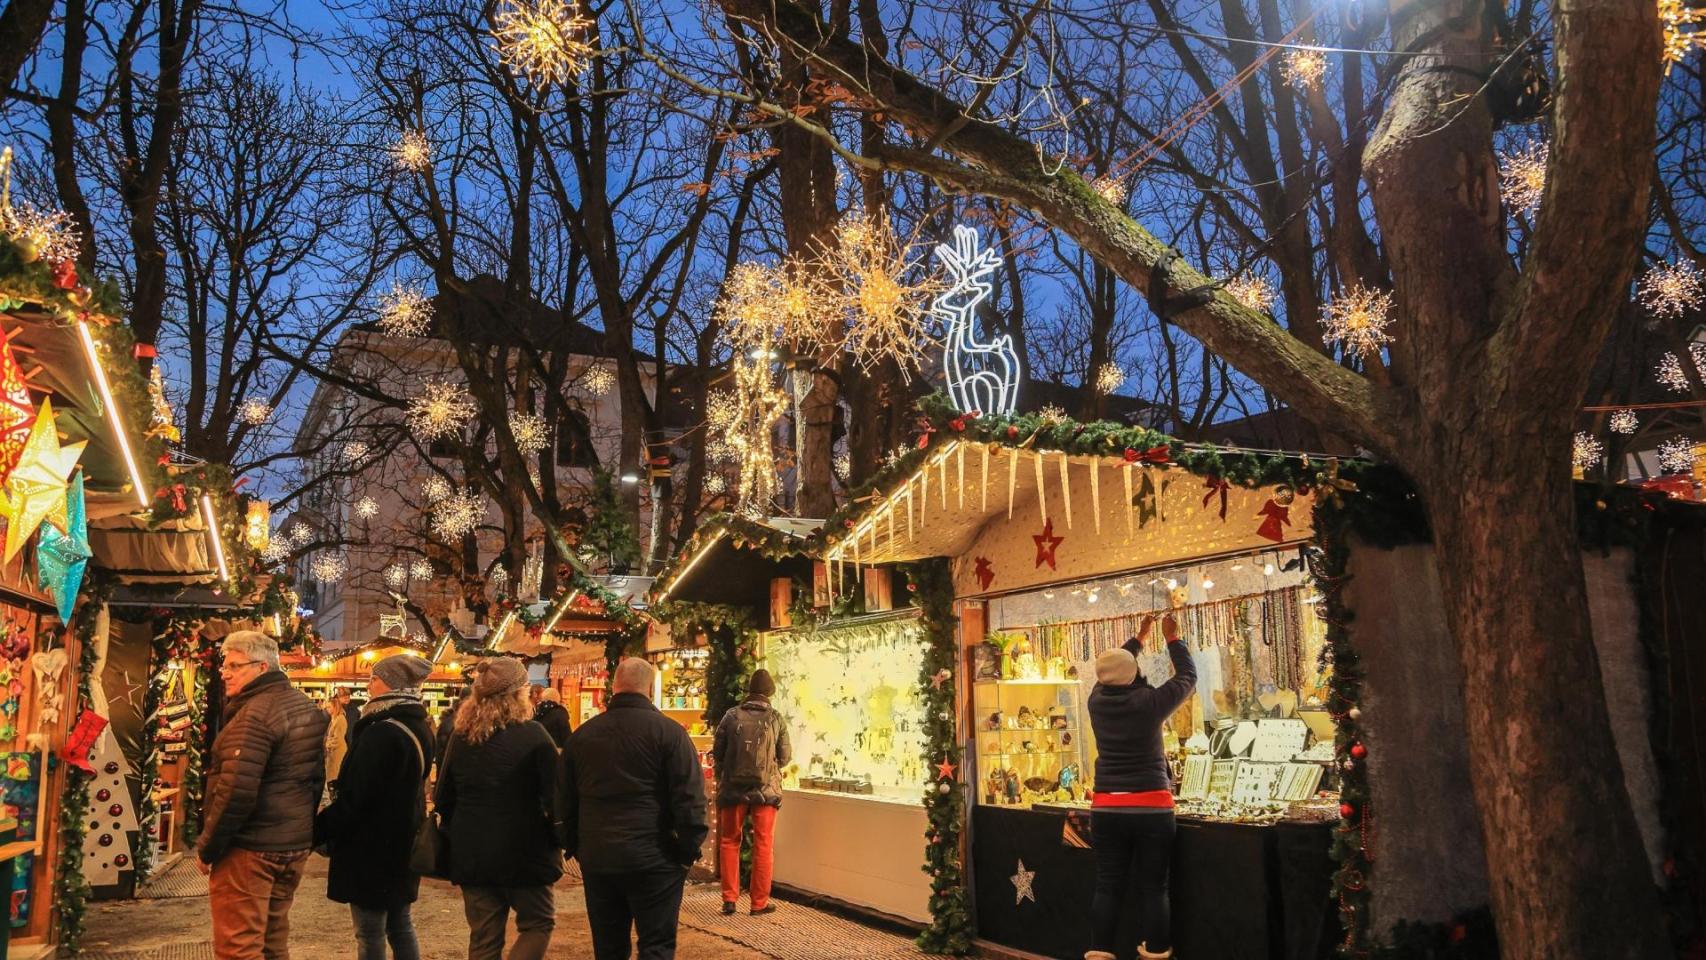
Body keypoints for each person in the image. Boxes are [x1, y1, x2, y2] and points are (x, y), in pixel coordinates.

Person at [559, 657, 708, 960]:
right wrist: (687, 850)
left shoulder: (582, 736)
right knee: (656, 945)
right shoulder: (671, 734)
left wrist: (575, 845)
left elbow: (564, 800)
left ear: (614, 687)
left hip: (600, 856)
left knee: (609, 947)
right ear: (650, 689)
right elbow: (689, 797)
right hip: (656, 857)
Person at [198, 631, 328, 960]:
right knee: (272, 942)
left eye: (234, 666)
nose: (224, 673)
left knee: (238, 948)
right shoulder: (303, 705)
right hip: (290, 845)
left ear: (262, 667)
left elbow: (237, 791)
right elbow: (315, 779)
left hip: (250, 848)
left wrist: (208, 848)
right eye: (224, 666)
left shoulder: (254, 715)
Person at [1084, 617, 1197, 960]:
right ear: (1134, 673)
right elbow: (1187, 678)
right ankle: (1157, 953)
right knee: (1154, 888)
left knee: (1107, 886)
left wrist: (1139, 639)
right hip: (1151, 808)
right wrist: (1172, 639)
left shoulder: (1096, 701)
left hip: (1105, 808)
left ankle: (1100, 952)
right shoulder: (1149, 703)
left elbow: (1112, 670)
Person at [435, 657, 561, 960]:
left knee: (484, 938)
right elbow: (556, 797)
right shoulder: (534, 736)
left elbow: (443, 796)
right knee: (537, 923)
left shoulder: (461, 737)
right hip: (525, 851)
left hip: (472, 851)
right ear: (519, 693)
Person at [316, 654, 436, 960]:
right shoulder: (418, 724)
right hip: (402, 837)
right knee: (400, 924)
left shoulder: (382, 731)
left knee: (370, 932)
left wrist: (318, 829)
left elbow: (359, 796)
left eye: (375, 679)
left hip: (372, 845)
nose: (368, 685)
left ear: (392, 684)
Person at [711, 669, 790, 916]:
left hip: (732, 789)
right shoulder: (776, 719)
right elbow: (785, 757)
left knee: (729, 841)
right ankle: (759, 903)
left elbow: (718, 752)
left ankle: (729, 899)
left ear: (749, 692)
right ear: (770, 693)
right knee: (763, 844)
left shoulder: (730, 716)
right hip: (766, 791)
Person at [324, 689, 350, 792]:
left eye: (329, 707)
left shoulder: (340, 719)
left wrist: (326, 745)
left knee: (334, 777)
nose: (327, 709)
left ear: (335, 707)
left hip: (337, 751)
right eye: (327, 707)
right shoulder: (334, 718)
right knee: (332, 776)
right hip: (334, 751)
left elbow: (337, 739)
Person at [534, 687, 572, 751]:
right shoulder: (560, 713)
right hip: (556, 751)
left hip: (540, 752)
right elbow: (567, 738)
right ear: (557, 699)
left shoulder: (537, 713)